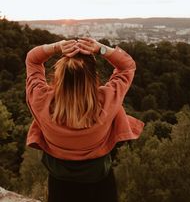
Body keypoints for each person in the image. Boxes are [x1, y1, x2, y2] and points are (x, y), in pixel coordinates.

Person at [25, 37, 144, 202]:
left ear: (60, 76)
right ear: (93, 76)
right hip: (99, 182)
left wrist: (57, 47)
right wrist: (100, 48)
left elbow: (32, 60)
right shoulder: (107, 101)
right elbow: (127, 65)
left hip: (59, 183)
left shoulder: (41, 101)